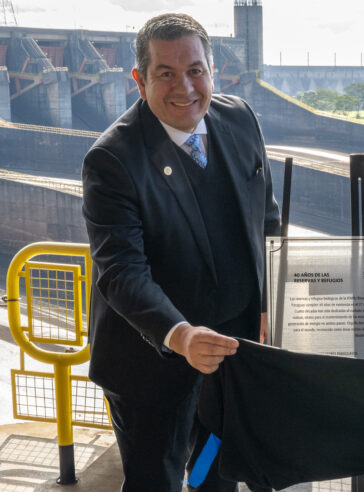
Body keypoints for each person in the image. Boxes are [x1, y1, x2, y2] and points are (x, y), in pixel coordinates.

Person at [81, 13, 280, 491]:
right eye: (165, 73)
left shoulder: (240, 118)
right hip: (151, 367)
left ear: (214, 71)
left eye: (195, 70)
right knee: (156, 481)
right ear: (139, 80)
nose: (184, 87)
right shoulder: (112, 160)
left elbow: (268, 220)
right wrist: (181, 335)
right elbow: (122, 271)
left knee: (219, 478)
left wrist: (274, 304)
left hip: (231, 354)